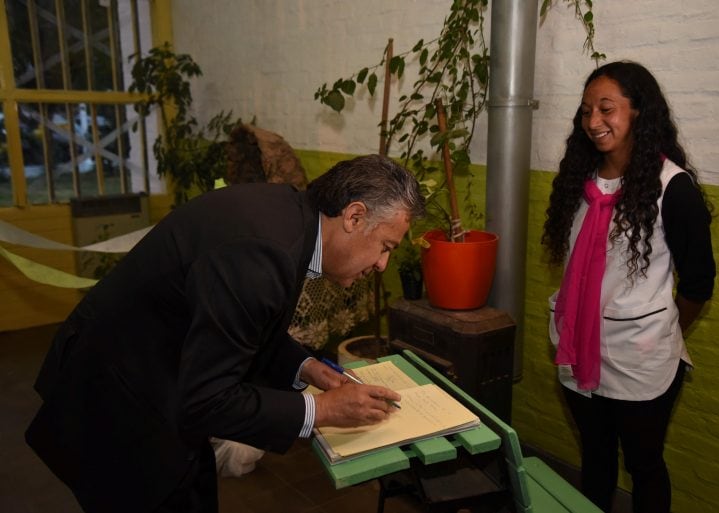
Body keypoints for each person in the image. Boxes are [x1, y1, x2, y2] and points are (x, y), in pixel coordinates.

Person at [25, 154, 426, 513]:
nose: (381, 265)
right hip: (119, 399)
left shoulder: (288, 215)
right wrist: (322, 410)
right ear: (354, 217)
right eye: (386, 246)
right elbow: (206, 400)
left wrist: (305, 368)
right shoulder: (262, 253)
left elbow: (240, 327)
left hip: (158, 376)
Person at [542, 61, 715, 513]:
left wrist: (661, 329)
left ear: (639, 112)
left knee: (644, 466)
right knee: (595, 460)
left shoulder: (672, 188)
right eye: (586, 112)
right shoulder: (578, 183)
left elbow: (699, 284)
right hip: (578, 349)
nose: (594, 122)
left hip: (640, 362)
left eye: (607, 109)